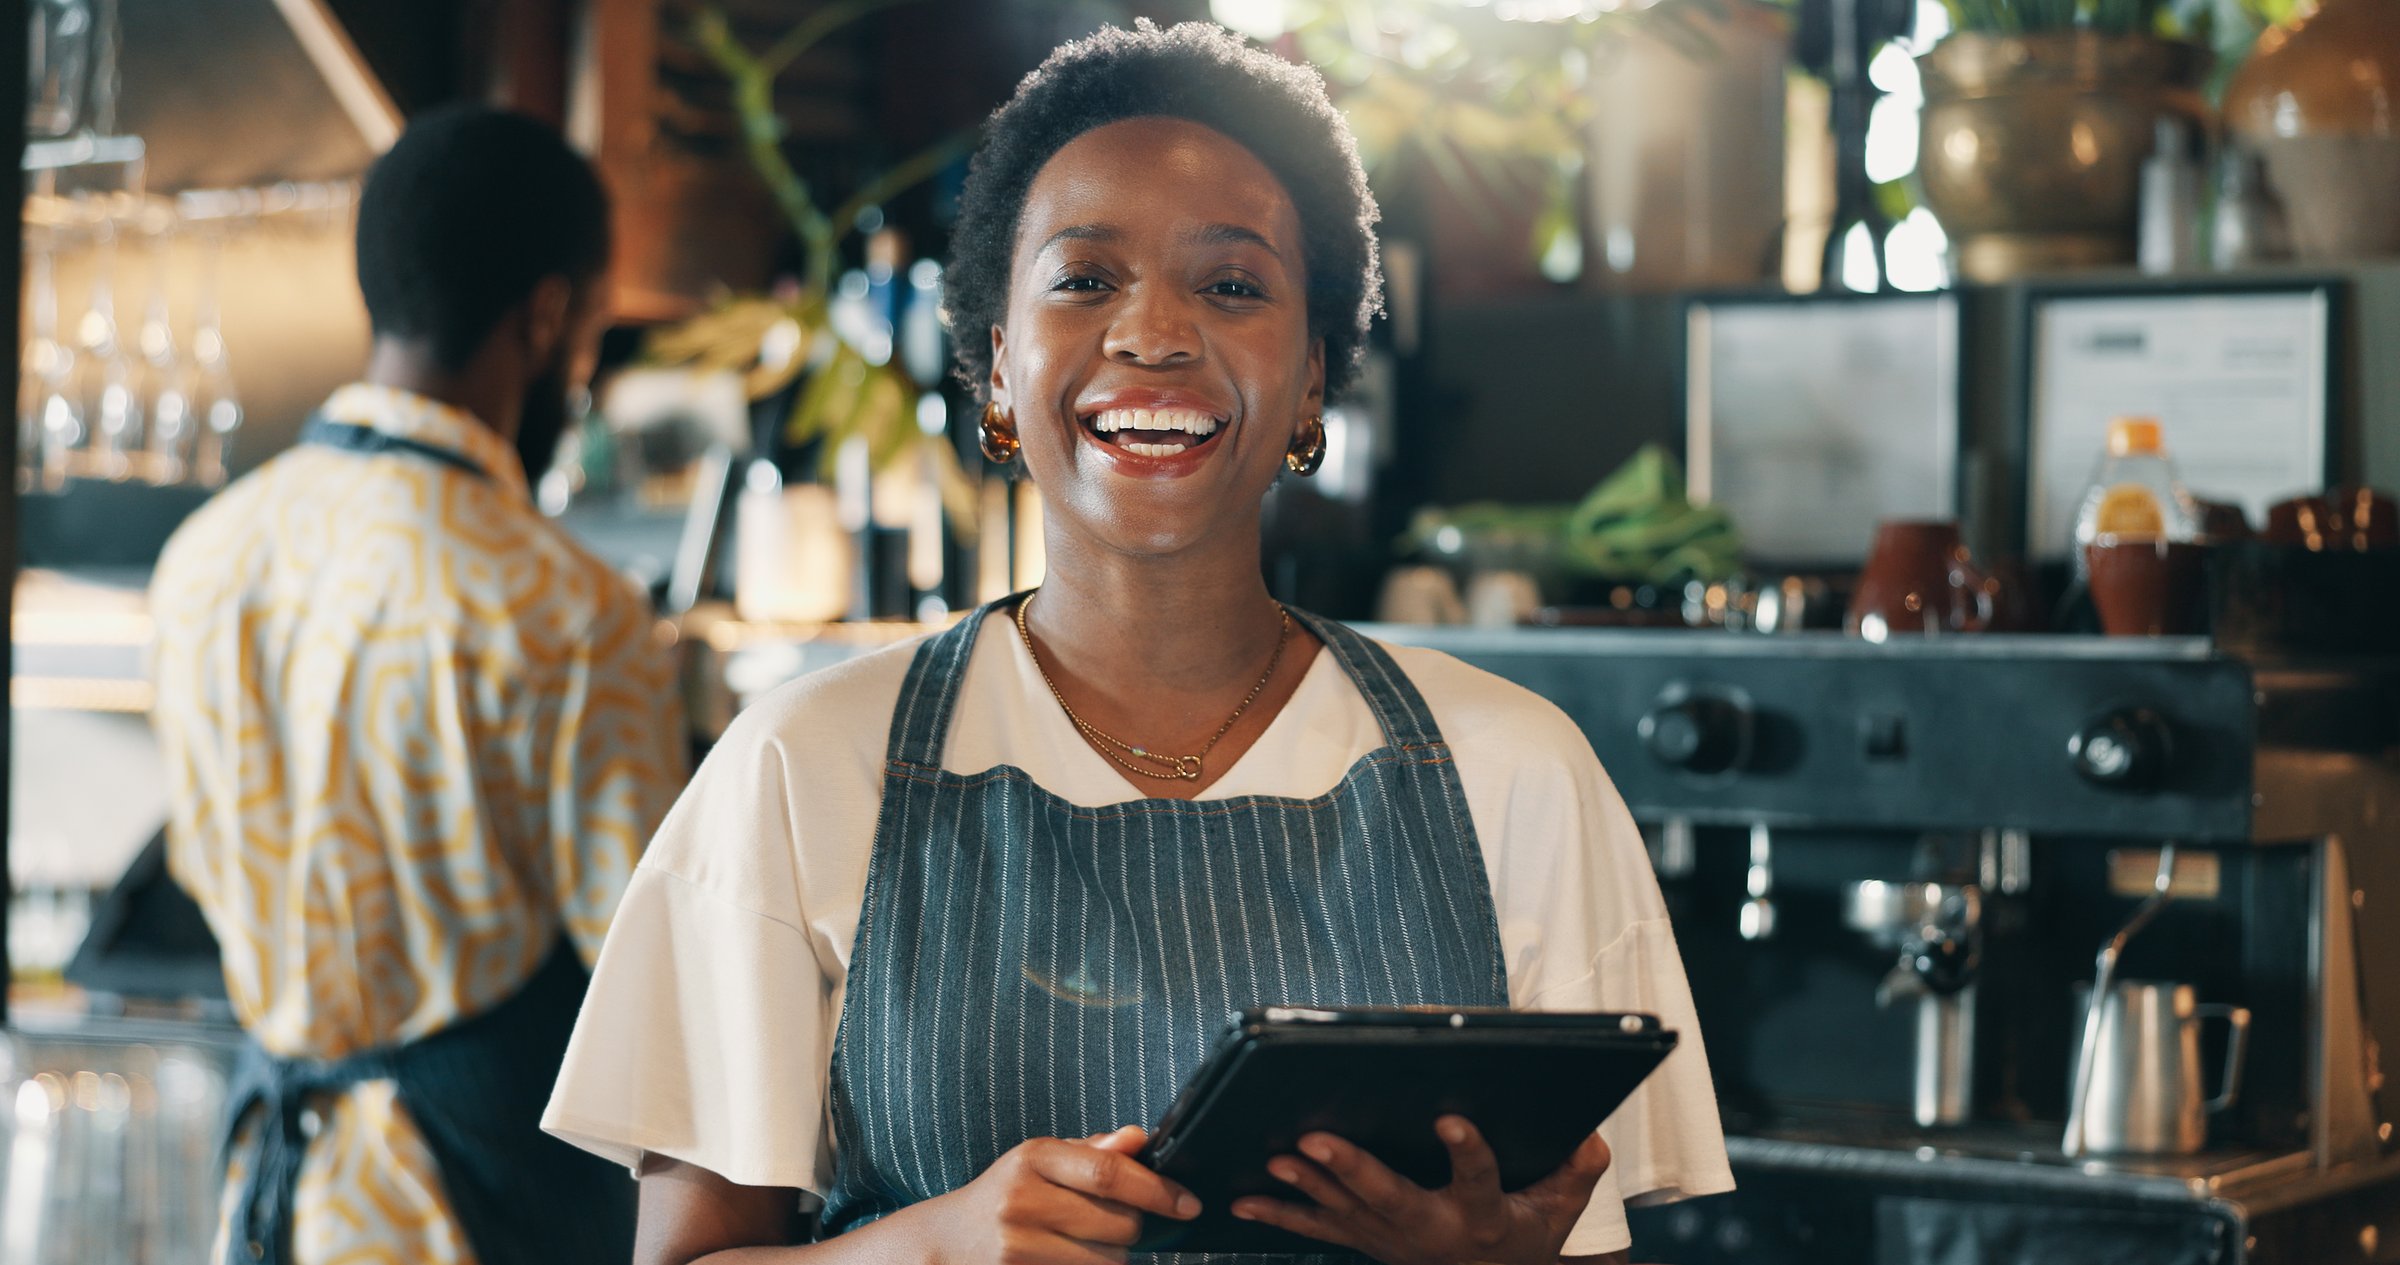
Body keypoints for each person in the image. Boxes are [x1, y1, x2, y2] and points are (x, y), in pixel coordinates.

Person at [543, 21, 1730, 1265]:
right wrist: (931, 1246)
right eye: (1083, 279)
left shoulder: (1518, 775)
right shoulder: (800, 770)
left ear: (1315, 377)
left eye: (1231, 286)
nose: (1153, 334)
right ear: (999, 366)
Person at [149, 105, 686, 1265]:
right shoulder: (567, 607)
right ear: (548, 317)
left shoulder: (201, 558)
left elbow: (199, 865)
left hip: (265, 1196)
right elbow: (653, 974)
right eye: (590, 331)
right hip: (472, 1210)